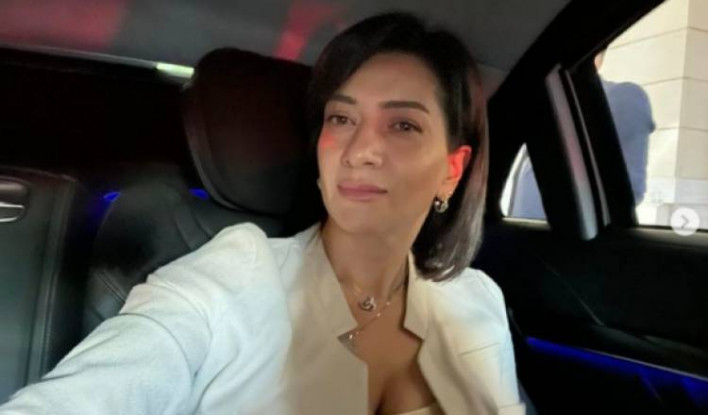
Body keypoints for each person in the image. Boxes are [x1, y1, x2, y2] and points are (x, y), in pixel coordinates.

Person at [0, 13, 524, 415]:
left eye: (403, 125)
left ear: (451, 171)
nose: (361, 149)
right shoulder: (232, 280)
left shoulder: (477, 300)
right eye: (341, 118)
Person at [510, 49, 654, 219]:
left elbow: (625, 190)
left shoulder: (620, 97)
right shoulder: (541, 107)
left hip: (566, 232)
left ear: (596, 57)